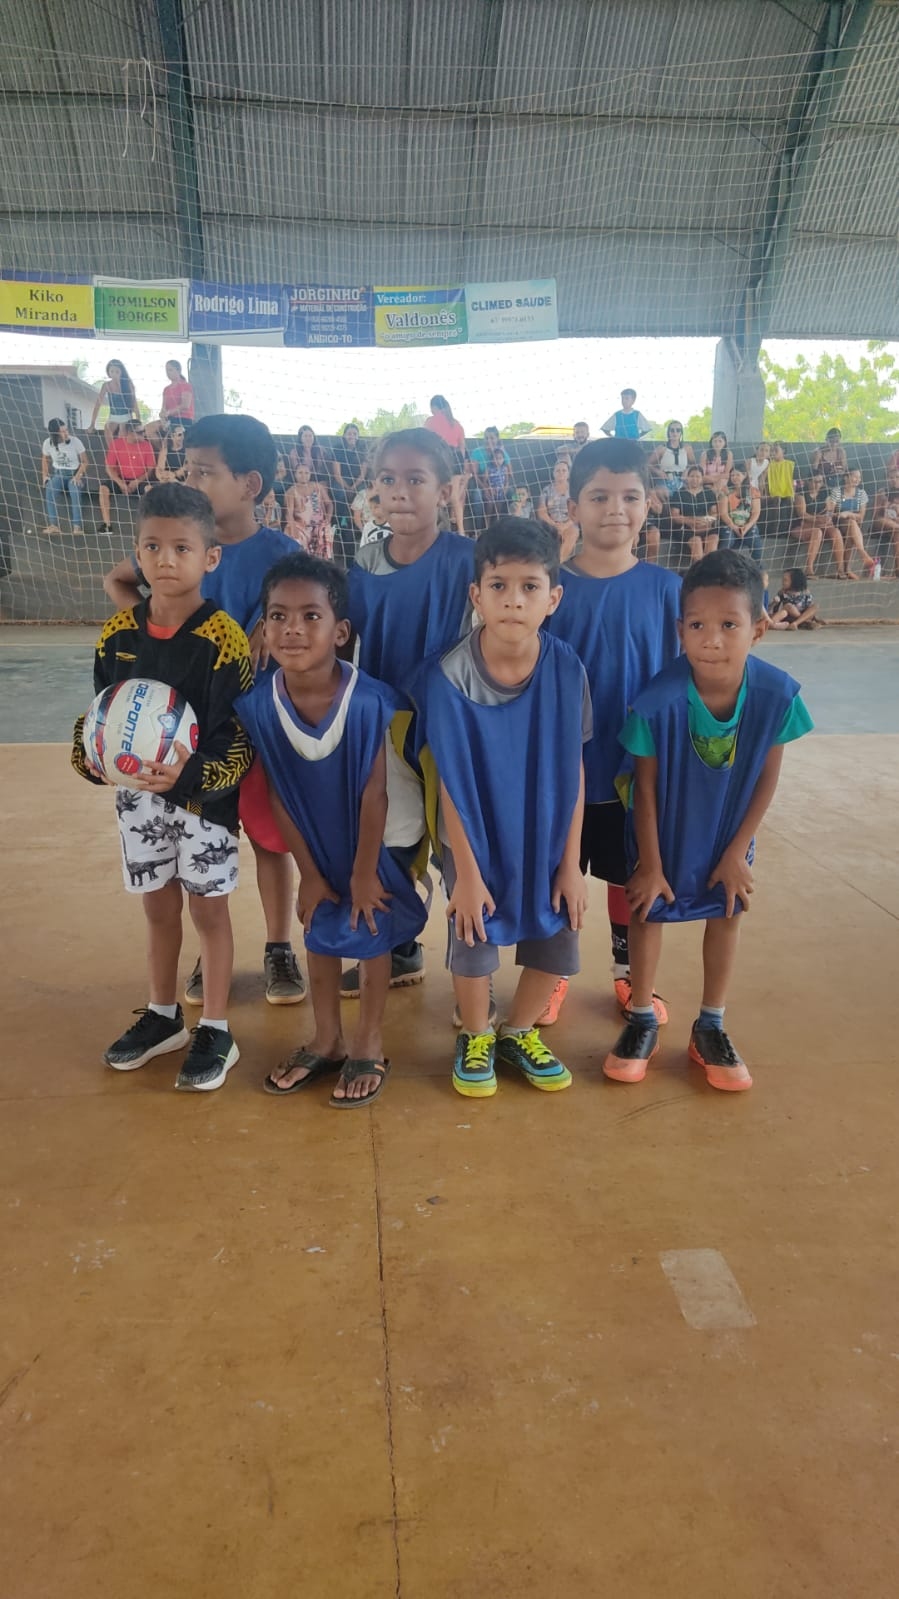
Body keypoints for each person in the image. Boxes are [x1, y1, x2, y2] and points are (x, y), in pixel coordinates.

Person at [102, 414, 304, 1008]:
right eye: (188, 468)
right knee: (194, 841)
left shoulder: (278, 553)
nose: (190, 479)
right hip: (183, 738)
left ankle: (277, 947)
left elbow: (300, 615)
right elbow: (119, 582)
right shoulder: (178, 543)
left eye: (204, 471)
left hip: (257, 726)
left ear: (250, 485)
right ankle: (206, 951)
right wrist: (154, 628)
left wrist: (273, 627)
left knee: (270, 841)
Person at [605, 549, 813, 1091]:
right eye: (697, 624)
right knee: (648, 909)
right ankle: (643, 1017)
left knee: (728, 909)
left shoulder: (776, 695)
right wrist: (650, 863)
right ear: (680, 629)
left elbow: (767, 778)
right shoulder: (657, 700)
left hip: (728, 830)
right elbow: (643, 788)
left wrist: (738, 852)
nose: (711, 638)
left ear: (759, 629)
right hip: (664, 830)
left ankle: (711, 1024)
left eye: (729, 624)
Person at [71, 484, 253, 1089]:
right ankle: (162, 1014)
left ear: (211, 557)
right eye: (153, 546)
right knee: (158, 907)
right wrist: (89, 758)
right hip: (138, 802)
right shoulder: (118, 634)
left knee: (209, 910)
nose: (166, 559)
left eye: (182, 547)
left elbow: (238, 737)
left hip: (203, 804)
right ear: (137, 554)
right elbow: (98, 714)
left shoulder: (224, 639)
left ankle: (218, 1029)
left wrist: (192, 774)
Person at [237, 553, 429, 1106]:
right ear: (264, 626)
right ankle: (326, 1039)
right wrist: (310, 872)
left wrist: (364, 873)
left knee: (368, 928)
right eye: (278, 616)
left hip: (377, 835)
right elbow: (279, 792)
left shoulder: (369, 699)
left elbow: (376, 792)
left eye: (309, 616)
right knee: (319, 925)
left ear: (340, 631)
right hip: (315, 837)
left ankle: (368, 1041)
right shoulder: (260, 705)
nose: (292, 628)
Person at [413, 518, 589, 1099]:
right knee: (474, 925)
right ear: (476, 595)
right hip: (476, 830)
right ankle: (476, 1034)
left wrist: (571, 863)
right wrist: (463, 873)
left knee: (557, 924)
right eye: (499, 586)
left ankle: (517, 1032)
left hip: (546, 829)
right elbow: (451, 785)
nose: (514, 600)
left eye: (530, 587)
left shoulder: (566, 669)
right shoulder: (448, 676)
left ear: (553, 598)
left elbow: (574, 768)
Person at [544, 439, 681, 1028]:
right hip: (565, 771)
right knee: (560, 872)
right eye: (598, 496)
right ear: (572, 506)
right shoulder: (548, 590)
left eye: (629, 496)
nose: (614, 509)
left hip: (639, 774)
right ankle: (550, 972)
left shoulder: (669, 591)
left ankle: (629, 975)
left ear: (648, 504)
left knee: (630, 876)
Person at [344, 428, 476, 995]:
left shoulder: (469, 560)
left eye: (416, 480)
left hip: (451, 728)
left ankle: (475, 969)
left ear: (445, 490)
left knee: (458, 845)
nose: (400, 491)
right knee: (393, 838)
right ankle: (399, 949)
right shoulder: (364, 562)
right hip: (386, 724)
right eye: (387, 480)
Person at [97, 421, 157, 532]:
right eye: (140, 432)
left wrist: (137, 481)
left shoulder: (147, 445)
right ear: (131, 433)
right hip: (121, 479)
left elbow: (150, 470)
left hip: (139, 480)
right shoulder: (117, 444)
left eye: (144, 431)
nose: (144, 434)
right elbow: (109, 468)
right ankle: (107, 525)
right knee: (103, 488)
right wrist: (119, 482)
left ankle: (150, 526)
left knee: (150, 490)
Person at [425, 395, 467, 532]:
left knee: (436, 492)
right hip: (456, 457)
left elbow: (426, 442)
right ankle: (461, 530)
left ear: (434, 407)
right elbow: (462, 447)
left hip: (441, 456)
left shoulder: (431, 421)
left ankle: (435, 527)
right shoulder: (456, 423)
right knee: (455, 496)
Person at [791, 473, 844, 577]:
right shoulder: (801, 494)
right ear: (808, 481)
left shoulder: (825, 493)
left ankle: (840, 569)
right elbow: (802, 514)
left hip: (820, 523)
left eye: (820, 482)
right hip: (801, 526)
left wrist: (826, 518)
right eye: (815, 481)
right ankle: (809, 568)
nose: (818, 484)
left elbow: (830, 510)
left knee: (836, 532)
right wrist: (817, 519)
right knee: (817, 532)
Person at [40, 418, 87, 534]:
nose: (66, 433)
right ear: (55, 434)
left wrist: (78, 476)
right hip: (58, 474)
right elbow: (44, 459)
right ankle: (53, 525)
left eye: (66, 430)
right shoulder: (47, 443)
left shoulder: (75, 441)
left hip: (74, 474)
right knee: (50, 490)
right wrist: (45, 476)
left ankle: (77, 526)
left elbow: (85, 461)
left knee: (75, 492)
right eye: (63, 431)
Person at [669, 463, 719, 560]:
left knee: (713, 542)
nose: (695, 479)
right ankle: (698, 573)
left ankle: (710, 573)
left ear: (702, 478)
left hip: (706, 526)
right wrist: (692, 521)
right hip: (685, 528)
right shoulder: (679, 493)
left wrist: (706, 521)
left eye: (698, 476)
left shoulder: (708, 493)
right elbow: (674, 516)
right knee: (697, 542)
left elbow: (715, 513)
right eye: (692, 476)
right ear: (687, 477)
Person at [285, 464, 335, 558]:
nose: (303, 475)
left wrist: (328, 518)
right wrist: (293, 529)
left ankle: (323, 561)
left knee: (326, 530)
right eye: (300, 473)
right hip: (301, 525)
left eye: (306, 472)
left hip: (319, 524)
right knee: (295, 536)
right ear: (295, 474)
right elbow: (289, 514)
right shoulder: (291, 491)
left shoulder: (318, 487)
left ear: (310, 474)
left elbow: (329, 504)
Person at [717, 465, 763, 565]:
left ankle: (758, 567)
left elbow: (756, 512)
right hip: (730, 525)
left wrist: (746, 527)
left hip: (748, 525)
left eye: (737, 475)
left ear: (744, 475)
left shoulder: (753, 491)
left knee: (755, 539)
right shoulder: (725, 491)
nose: (734, 477)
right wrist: (734, 527)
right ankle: (720, 567)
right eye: (732, 475)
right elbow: (723, 513)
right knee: (726, 540)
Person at [89, 359, 141, 445]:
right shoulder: (106, 385)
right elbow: (98, 404)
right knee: (107, 428)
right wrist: (92, 424)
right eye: (112, 371)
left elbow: (134, 403)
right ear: (108, 372)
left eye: (117, 372)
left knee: (122, 430)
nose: (114, 374)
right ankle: (112, 452)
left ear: (121, 372)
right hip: (113, 416)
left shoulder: (128, 384)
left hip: (126, 416)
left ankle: (123, 453)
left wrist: (138, 420)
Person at [835, 468, 875, 577]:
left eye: (859, 477)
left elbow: (861, 517)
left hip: (854, 524)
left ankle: (846, 569)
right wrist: (842, 515)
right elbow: (832, 512)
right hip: (838, 523)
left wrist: (848, 513)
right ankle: (862, 553)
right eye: (854, 476)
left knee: (850, 531)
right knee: (851, 525)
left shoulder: (862, 494)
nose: (857, 479)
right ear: (846, 477)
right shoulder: (837, 491)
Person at [537, 459, 579, 560]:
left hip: (569, 523)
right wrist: (554, 524)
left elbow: (579, 512)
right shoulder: (547, 490)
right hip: (550, 523)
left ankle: (558, 563)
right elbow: (541, 511)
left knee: (573, 532)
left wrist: (565, 526)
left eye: (564, 470)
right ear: (553, 473)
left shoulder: (574, 489)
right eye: (558, 470)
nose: (561, 473)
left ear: (568, 474)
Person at [147, 359, 195, 440]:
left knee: (175, 435)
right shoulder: (166, 389)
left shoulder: (185, 385)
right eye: (167, 370)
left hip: (183, 419)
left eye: (170, 370)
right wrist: (162, 417)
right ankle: (163, 449)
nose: (168, 373)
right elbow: (163, 407)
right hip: (169, 420)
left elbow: (185, 405)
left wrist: (168, 413)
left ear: (178, 370)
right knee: (148, 429)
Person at [648, 422, 695, 496]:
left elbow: (693, 464)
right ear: (668, 432)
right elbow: (648, 464)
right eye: (672, 430)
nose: (675, 433)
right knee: (664, 494)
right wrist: (658, 472)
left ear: (681, 433)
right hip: (665, 480)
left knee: (687, 494)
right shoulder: (661, 449)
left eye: (678, 430)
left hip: (683, 480)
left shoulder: (687, 448)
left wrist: (687, 470)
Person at [764, 442, 798, 536]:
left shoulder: (790, 464)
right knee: (777, 499)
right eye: (772, 451)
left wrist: (794, 492)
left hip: (787, 491)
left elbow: (794, 480)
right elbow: (765, 480)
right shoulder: (769, 464)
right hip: (774, 492)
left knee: (790, 500)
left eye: (776, 450)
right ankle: (775, 531)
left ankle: (789, 529)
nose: (773, 453)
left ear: (783, 451)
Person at [871, 467, 899, 574]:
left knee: (897, 533)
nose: (894, 479)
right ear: (887, 479)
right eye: (891, 477)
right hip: (881, 522)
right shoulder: (882, 492)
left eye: (897, 477)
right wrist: (884, 506)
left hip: (896, 524)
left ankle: (898, 570)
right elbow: (875, 515)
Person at [812, 428, 848, 493]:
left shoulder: (841, 452)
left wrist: (839, 471)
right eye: (831, 442)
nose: (834, 444)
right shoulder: (818, 452)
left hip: (838, 482)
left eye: (836, 441)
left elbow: (845, 470)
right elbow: (813, 472)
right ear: (826, 440)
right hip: (822, 484)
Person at [485, 446, 512, 518]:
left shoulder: (505, 468)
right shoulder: (489, 468)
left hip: (501, 491)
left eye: (500, 458)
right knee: (489, 507)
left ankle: (497, 521)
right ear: (492, 459)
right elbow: (485, 481)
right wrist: (489, 488)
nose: (498, 460)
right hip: (492, 491)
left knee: (498, 509)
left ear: (503, 459)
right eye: (496, 458)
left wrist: (505, 489)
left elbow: (507, 481)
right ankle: (487, 522)